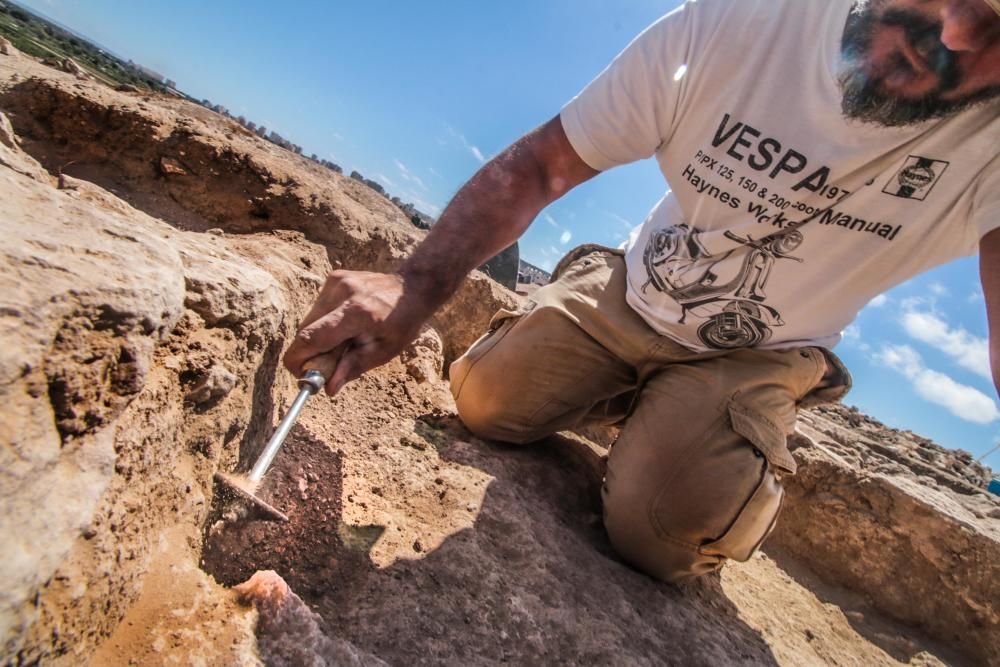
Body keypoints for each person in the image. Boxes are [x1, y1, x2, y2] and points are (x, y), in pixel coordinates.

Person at [285, 0, 1000, 582]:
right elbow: (542, 167)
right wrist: (414, 284)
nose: (957, 32)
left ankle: (712, 432)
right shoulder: (746, 20)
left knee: (663, 532)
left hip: (757, 351)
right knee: (483, 401)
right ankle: (628, 380)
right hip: (635, 287)